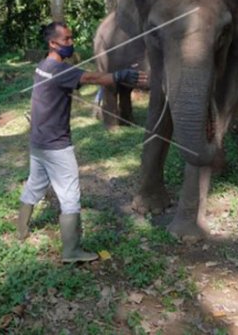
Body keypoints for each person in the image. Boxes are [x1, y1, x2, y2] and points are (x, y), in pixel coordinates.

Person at [17, 22, 146, 263]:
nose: (71, 42)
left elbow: (81, 76)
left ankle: (21, 230)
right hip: (56, 145)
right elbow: (91, 77)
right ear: (52, 44)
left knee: (35, 184)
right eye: (65, 40)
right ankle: (71, 251)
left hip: (38, 142)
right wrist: (120, 76)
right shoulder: (59, 70)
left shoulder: (43, 66)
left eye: (71, 38)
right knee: (70, 197)